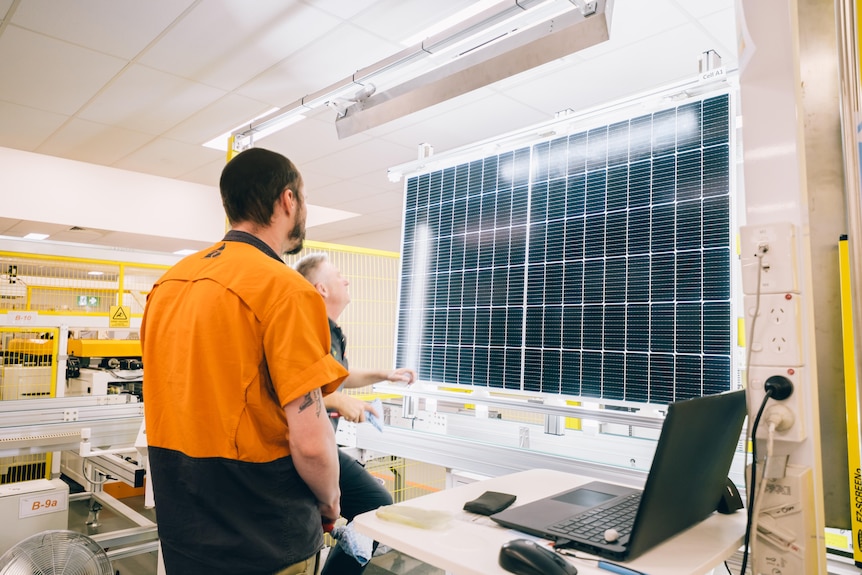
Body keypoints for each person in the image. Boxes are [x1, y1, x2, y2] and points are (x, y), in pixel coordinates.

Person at [141, 148, 348, 575]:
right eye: (303, 200)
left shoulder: (168, 284)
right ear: (288, 200)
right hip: (263, 536)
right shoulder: (287, 291)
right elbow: (311, 442)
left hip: (183, 527)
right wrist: (330, 501)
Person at [294, 252, 416, 575]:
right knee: (375, 506)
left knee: (376, 507)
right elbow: (302, 391)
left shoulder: (331, 332)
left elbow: (336, 378)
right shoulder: (306, 329)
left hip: (325, 446)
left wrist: (385, 375)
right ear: (321, 288)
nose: (346, 280)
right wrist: (336, 401)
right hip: (308, 449)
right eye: (338, 274)